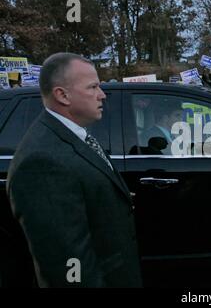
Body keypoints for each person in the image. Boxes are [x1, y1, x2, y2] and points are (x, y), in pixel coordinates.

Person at [6, 53, 142, 287]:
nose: (102, 94)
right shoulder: (41, 162)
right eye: (93, 87)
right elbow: (68, 266)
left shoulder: (74, 133)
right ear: (62, 95)